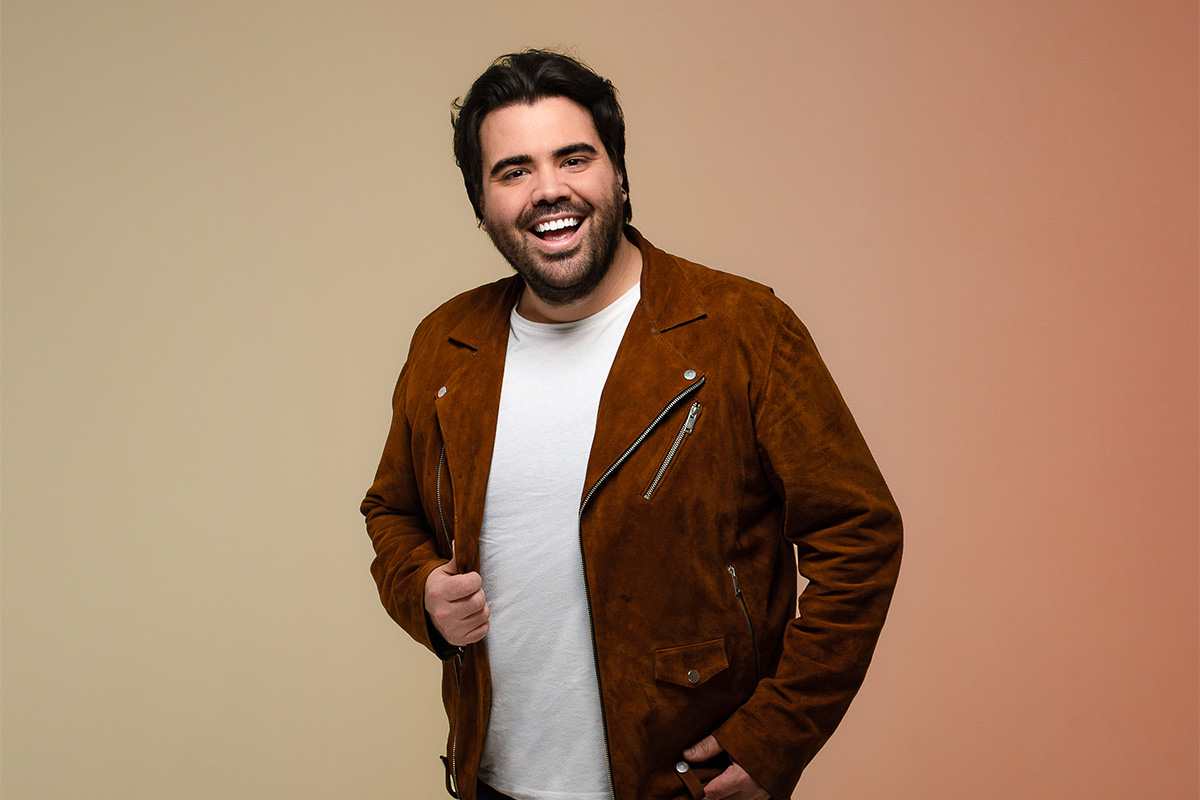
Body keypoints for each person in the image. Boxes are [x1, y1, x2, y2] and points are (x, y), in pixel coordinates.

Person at [361, 49, 902, 800]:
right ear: (480, 202)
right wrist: (418, 587)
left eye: (573, 158)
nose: (549, 190)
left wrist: (779, 733)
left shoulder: (742, 330)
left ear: (617, 173)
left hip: (678, 788)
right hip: (494, 784)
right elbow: (390, 508)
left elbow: (860, 536)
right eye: (512, 170)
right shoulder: (446, 346)